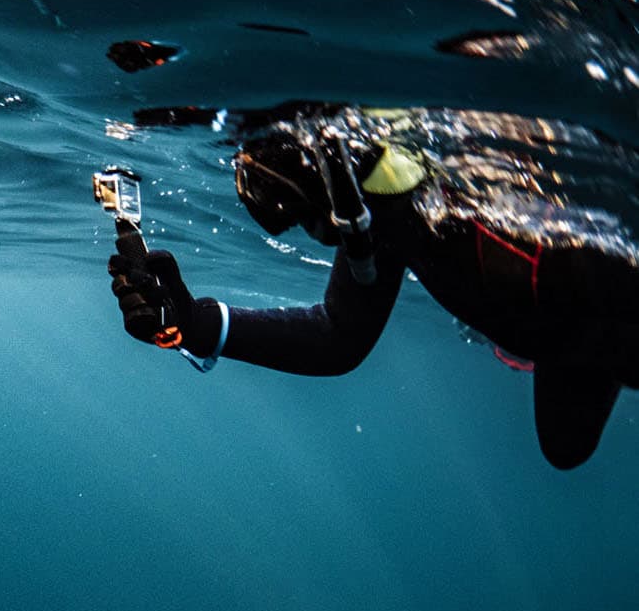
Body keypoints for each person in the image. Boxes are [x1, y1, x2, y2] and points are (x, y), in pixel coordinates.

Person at [106, 106, 639, 469]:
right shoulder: (391, 219)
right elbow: (339, 333)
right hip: (566, 339)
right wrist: (198, 326)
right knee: (564, 447)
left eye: (301, 211)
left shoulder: (465, 208)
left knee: (569, 429)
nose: (313, 233)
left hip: (591, 323)